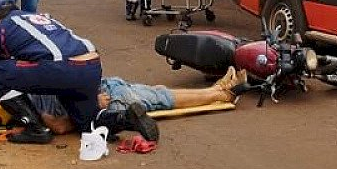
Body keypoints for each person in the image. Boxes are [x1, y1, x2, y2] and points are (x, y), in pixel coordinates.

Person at [0, 0, 158, 144]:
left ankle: (35, 128)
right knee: (88, 124)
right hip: (90, 67)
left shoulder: (1, 28)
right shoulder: (42, 19)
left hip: (62, 69)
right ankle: (125, 118)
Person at [28, 67, 248, 134]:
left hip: (108, 86)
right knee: (162, 97)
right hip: (111, 99)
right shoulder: (30, 105)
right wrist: (92, 104)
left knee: (159, 92)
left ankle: (215, 89)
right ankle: (222, 93)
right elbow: (60, 126)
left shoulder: (21, 81)